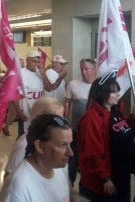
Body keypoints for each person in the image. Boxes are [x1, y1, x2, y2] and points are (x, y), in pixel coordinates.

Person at [78, 72, 135, 202]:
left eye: (118, 91)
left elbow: (124, 129)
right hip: (107, 180)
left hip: (122, 173)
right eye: (114, 92)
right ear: (101, 93)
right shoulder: (91, 119)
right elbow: (93, 153)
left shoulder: (114, 111)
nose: (118, 95)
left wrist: (132, 118)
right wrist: (105, 178)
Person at [0, 114, 73, 202]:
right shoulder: (18, 188)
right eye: (62, 145)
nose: (70, 153)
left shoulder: (61, 167)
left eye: (70, 144)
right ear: (39, 146)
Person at [4, 97, 65, 176]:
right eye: (57, 120)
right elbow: (9, 174)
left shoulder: (54, 140)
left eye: (62, 120)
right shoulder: (24, 146)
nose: (61, 124)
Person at [64, 58, 97, 187]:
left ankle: (86, 186)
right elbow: (67, 103)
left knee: (89, 159)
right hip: (76, 130)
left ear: (94, 70)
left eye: (86, 69)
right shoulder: (73, 84)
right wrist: (65, 121)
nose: (83, 72)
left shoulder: (99, 85)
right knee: (73, 157)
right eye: (82, 69)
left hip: (93, 132)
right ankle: (68, 182)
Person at [12, 51, 48, 137]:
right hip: (25, 112)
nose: (36, 64)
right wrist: (18, 111)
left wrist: (43, 74)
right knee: (23, 137)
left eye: (38, 62)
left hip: (39, 112)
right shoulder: (20, 73)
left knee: (37, 136)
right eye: (34, 61)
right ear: (27, 60)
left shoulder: (41, 73)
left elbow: (49, 88)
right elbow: (13, 93)